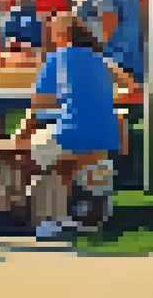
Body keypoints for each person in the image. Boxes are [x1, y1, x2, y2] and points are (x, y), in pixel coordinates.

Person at [14, 12, 134, 242]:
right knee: (62, 165)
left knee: (36, 156)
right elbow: (130, 85)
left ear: (61, 35)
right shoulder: (100, 59)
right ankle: (62, 217)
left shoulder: (56, 59)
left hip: (74, 134)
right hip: (105, 138)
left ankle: (45, 221)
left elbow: (37, 105)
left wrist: (22, 133)